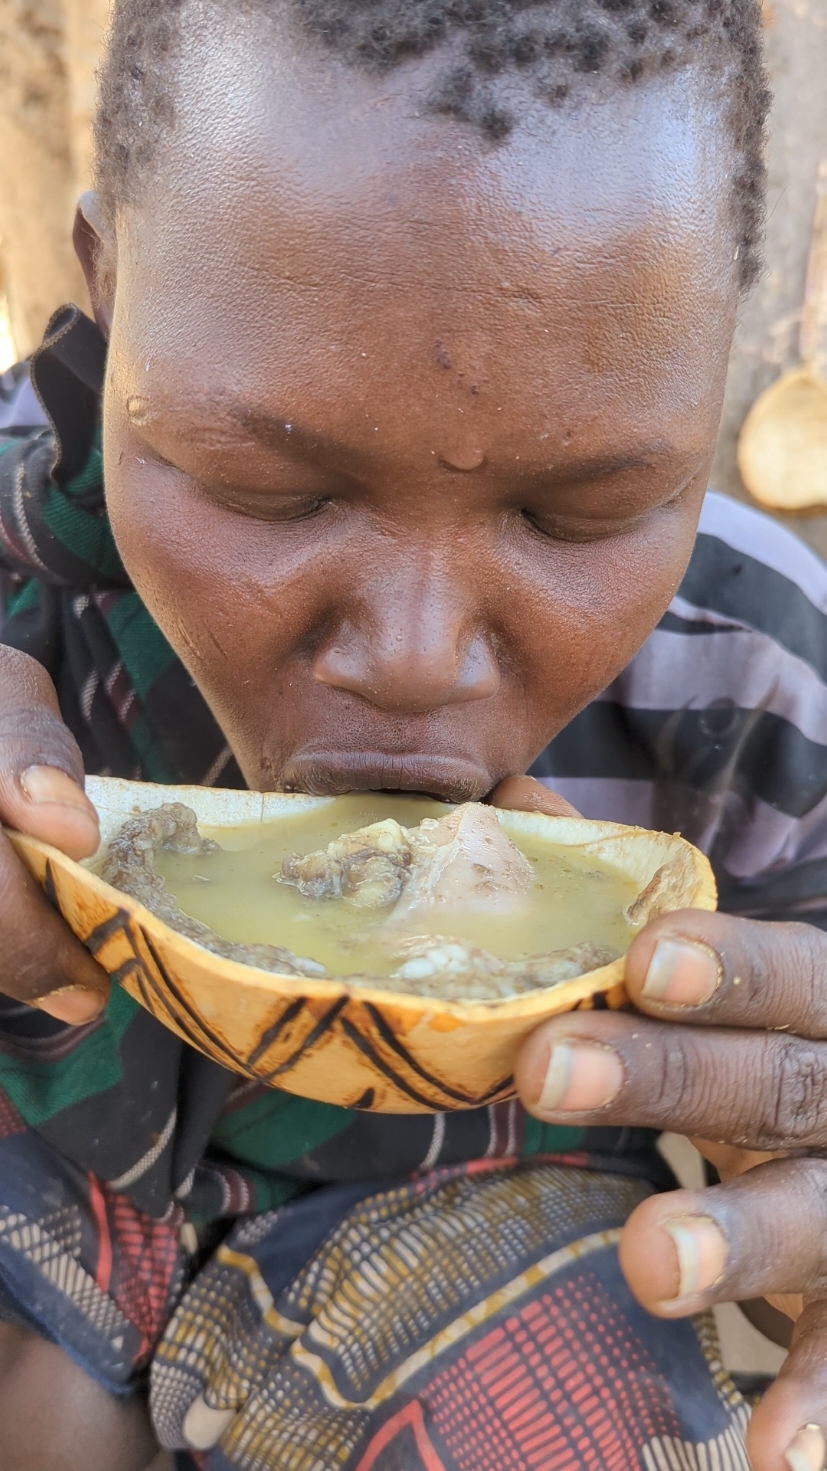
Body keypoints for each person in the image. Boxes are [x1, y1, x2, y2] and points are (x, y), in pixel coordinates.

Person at [1, 1, 826, 1467]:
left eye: (576, 515)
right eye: (267, 489)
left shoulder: (766, 699)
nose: (414, 657)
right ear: (109, 287)